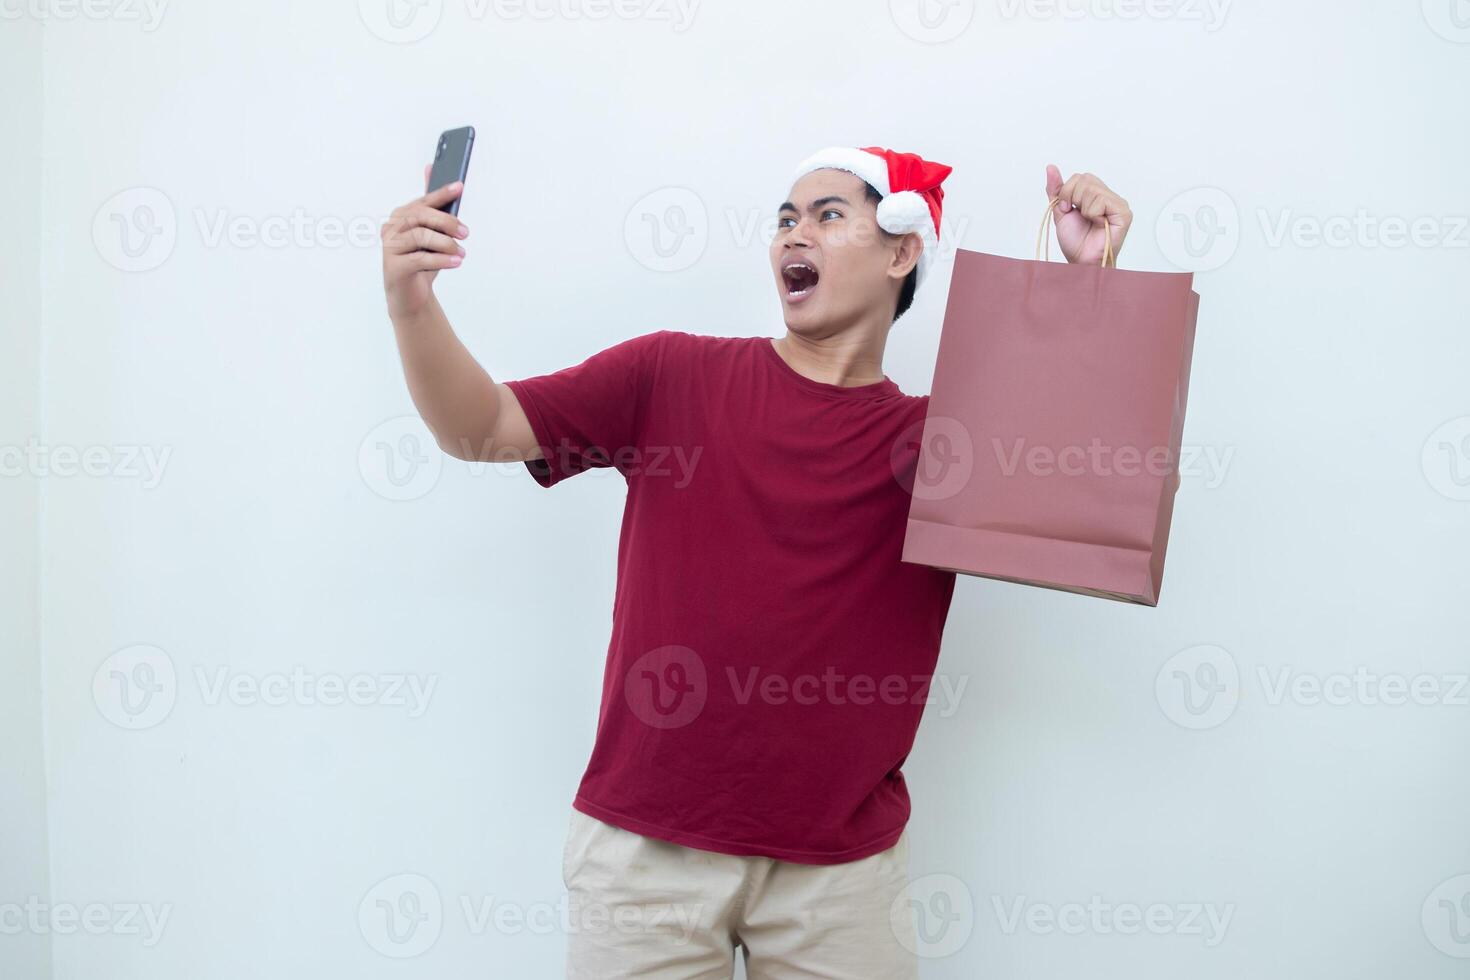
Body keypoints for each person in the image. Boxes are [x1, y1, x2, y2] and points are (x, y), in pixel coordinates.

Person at [379, 145, 1132, 979]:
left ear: (902, 250)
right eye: (784, 219)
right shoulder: (670, 373)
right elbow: (478, 424)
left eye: (827, 214)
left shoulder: (935, 443)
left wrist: (1086, 284)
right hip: (644, 860)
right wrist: (411, 303)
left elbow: (1078, 494)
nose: (792, 234)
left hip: (841, 879)